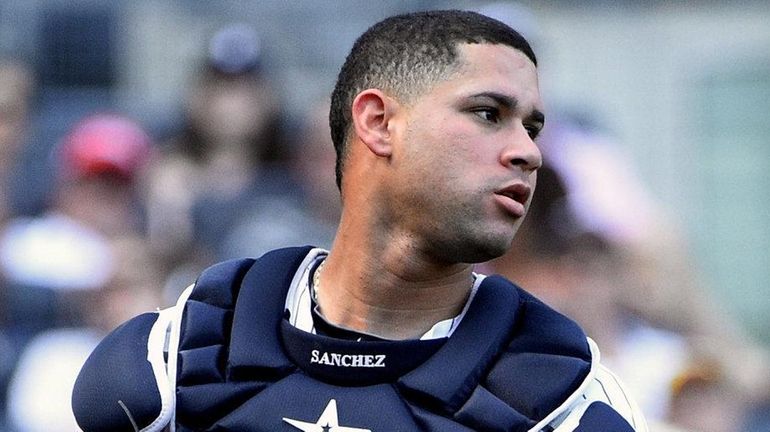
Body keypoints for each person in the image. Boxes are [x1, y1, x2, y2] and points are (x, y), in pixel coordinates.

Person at [72, 10, 647, 431]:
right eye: (488, 113)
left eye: (533, 127)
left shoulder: (561, 400)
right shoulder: (184, 357)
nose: (528, 151)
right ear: (378, 122)